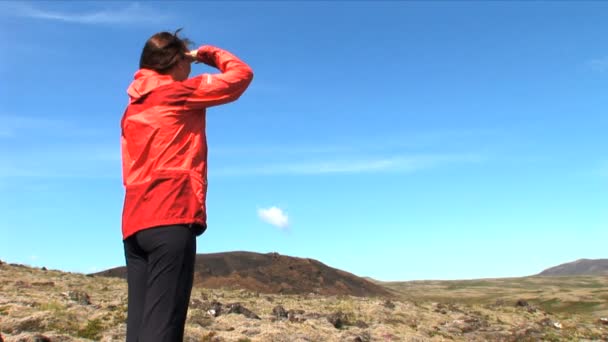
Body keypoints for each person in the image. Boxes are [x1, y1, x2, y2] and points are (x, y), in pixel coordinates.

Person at [120, 29, 253, 342]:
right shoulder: (177, 92)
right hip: (171, 214)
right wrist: (204, 53)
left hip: (134, 224)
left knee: (139, 327)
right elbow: (241, 75)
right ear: (175, 62)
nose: (190, 68)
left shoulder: (133, 108)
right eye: (186, 61)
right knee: (163, 327)